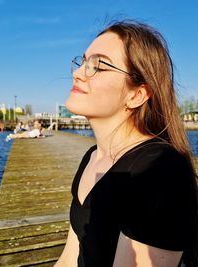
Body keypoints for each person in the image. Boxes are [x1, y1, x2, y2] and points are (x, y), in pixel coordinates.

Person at [54, 20, 198, 267]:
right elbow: (70, 257)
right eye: (83, 62)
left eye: (97, 66)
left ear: (137, 95)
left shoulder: (159, 171)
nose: (77, 73)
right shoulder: (92, 157)